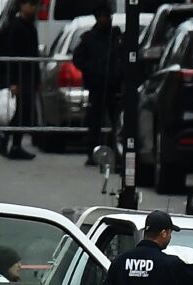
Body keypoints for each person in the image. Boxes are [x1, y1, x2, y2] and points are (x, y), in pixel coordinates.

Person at [72, 2, 123, 166]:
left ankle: (118, 153)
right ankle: (92, 153)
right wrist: (92, 69)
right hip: (97, 85)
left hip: (114, 86)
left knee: (117, 123)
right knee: (94, 122)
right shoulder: (89, 38)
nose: (103, 19)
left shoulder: (115, 37)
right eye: (100, 16)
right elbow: (78, 58)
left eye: (106, 16)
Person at [0, 0, 40, 160]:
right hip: (19, 76)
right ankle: (8, 139)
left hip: (29, 75)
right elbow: (10, 54)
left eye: (34, 5)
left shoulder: (31, 27)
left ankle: (13, 143)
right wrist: (12, 81)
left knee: (24, 112)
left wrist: (37, 79)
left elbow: (34, 55)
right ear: (22, 6)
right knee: (20, 111)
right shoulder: (15, 27)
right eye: (30, 4)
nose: (33, 8)